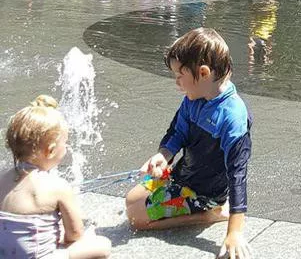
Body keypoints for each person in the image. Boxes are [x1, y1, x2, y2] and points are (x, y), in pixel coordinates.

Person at [125, 28, 252, 259]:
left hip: (204, 192)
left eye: (179, 75)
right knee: (133, 198)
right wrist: (163, 156)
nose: (176, 82)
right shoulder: (193, 100)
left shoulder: (233, 118)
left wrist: (234, 232)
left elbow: (238, 176)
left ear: (203, 73)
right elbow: (177, 132)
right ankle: (198, 209)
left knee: (136, 218)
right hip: (183, 176)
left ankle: (209, 214)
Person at [0, 95, 112, 259]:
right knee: (102, 245)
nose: (66, 148)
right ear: (51, 150)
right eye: (65, 143)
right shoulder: (58, 186)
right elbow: (74, 235)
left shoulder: (2, 177)